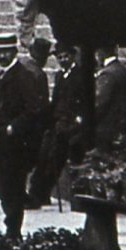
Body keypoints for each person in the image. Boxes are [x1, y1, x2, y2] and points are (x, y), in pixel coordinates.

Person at [0, 32, 49, 239]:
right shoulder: (1, 76)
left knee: (12, 186)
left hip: (14, 143)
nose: (2, 56)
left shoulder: (24, 76)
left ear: (14, 52)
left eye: (6, 52)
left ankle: (13, 231)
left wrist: (14, 128)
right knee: (2, 186)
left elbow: (34, 109)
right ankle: (11, 227)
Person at [28, 41, 82, 207]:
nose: (63, 60)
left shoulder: (79, 76)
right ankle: (37, 194)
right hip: (56, 122)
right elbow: (56, 100)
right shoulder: (59, 75)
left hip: (71, 125)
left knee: (59, 159)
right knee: (45, 157)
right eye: (60, 57)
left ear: (73, 57)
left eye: (66, 56)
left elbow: (82, 102)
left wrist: (74, 120)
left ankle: (43, 194)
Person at [92, 45, 126, 147]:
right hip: (122, 127)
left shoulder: (107, 74)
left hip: (107, 129)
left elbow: (100, 103)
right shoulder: (123, 71)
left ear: (100, 54)